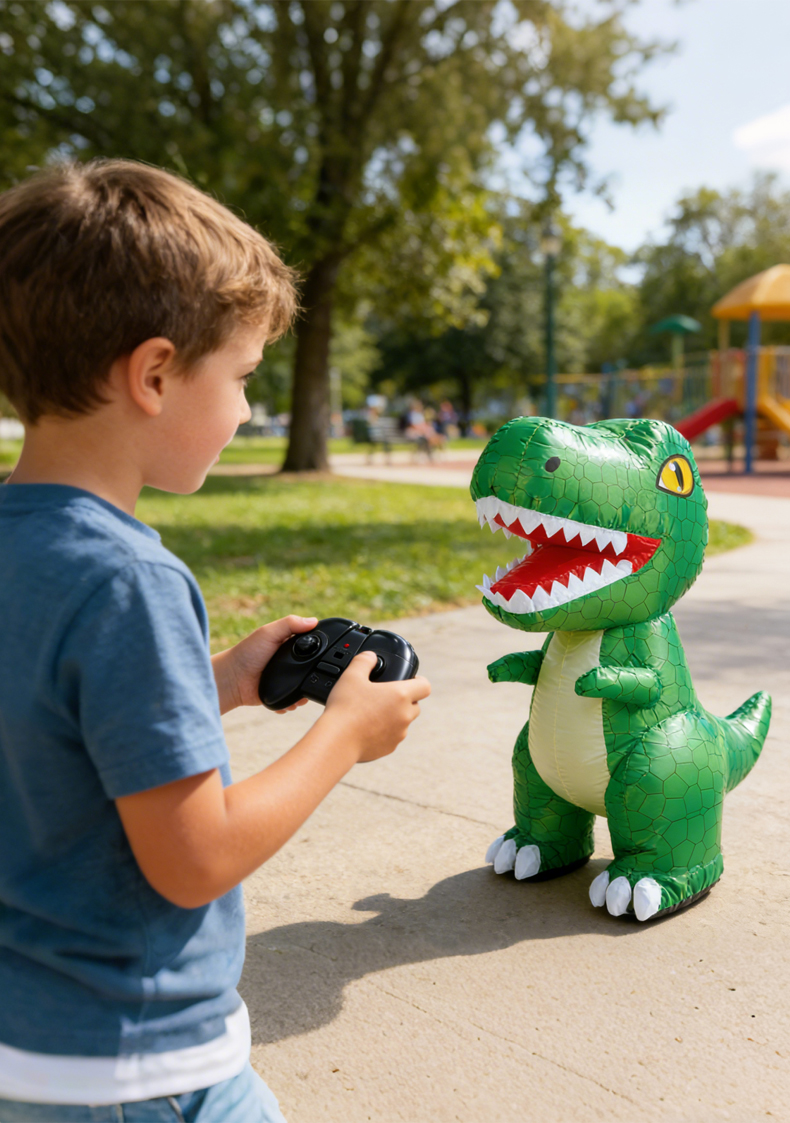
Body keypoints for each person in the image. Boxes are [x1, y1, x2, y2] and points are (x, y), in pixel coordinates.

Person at [0, 160, 431, 1121]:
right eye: (239, 377)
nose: (244, 410)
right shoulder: (131, 579)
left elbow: (47, 723)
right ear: (153, 373)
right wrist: (344, 736)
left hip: (25, 1047)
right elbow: (194, 858)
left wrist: (224, 680)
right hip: (143, 1070)